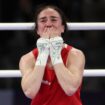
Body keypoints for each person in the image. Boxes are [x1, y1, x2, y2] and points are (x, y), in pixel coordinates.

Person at [19, 4, 85, 105]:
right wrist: (43, 54)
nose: (48, 24)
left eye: (54, 20)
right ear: (37, 30)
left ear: (63, 27)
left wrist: (55, 53)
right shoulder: (27, 59)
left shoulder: (75, 55)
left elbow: (70, 88)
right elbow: (30, 92)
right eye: (43, 20)